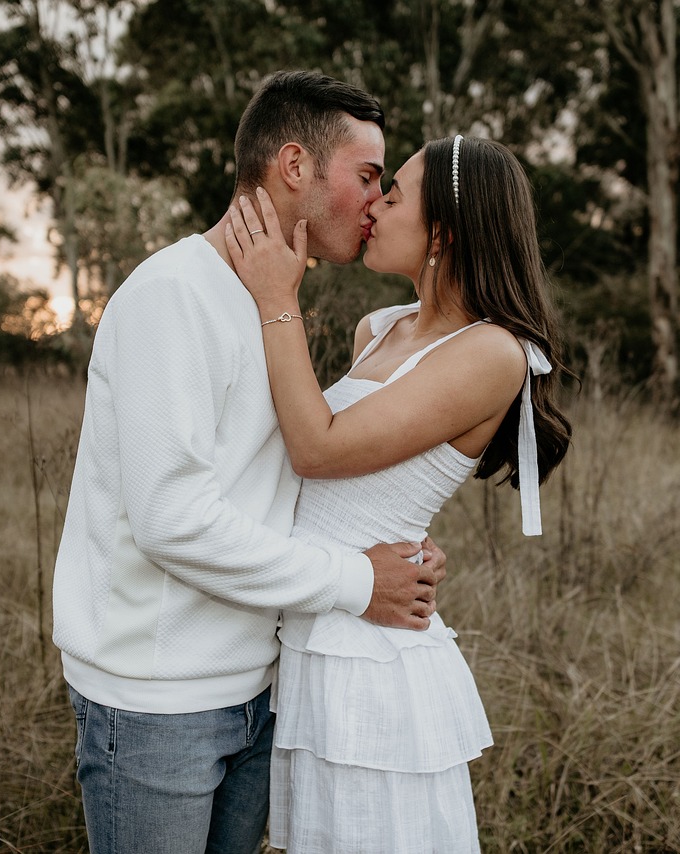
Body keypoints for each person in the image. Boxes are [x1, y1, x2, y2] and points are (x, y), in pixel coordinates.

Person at [51, 70, 451, 854]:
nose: (378, 202)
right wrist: (359, 581)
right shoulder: (173, 295)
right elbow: (174, 521)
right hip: (156, 705)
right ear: (295, 167)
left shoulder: (278, 309)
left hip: (262, 693)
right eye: (368, 176)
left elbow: (281, 478)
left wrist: (399, 543)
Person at [222, 134, 571, 852]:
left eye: (395, 193)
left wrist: (277, 297)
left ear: (442, 230)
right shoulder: (377, 329)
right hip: (314, 626)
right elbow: (354, 480)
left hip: (371, 661)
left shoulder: (491, 352)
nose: (374, 205)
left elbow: (316, 448)